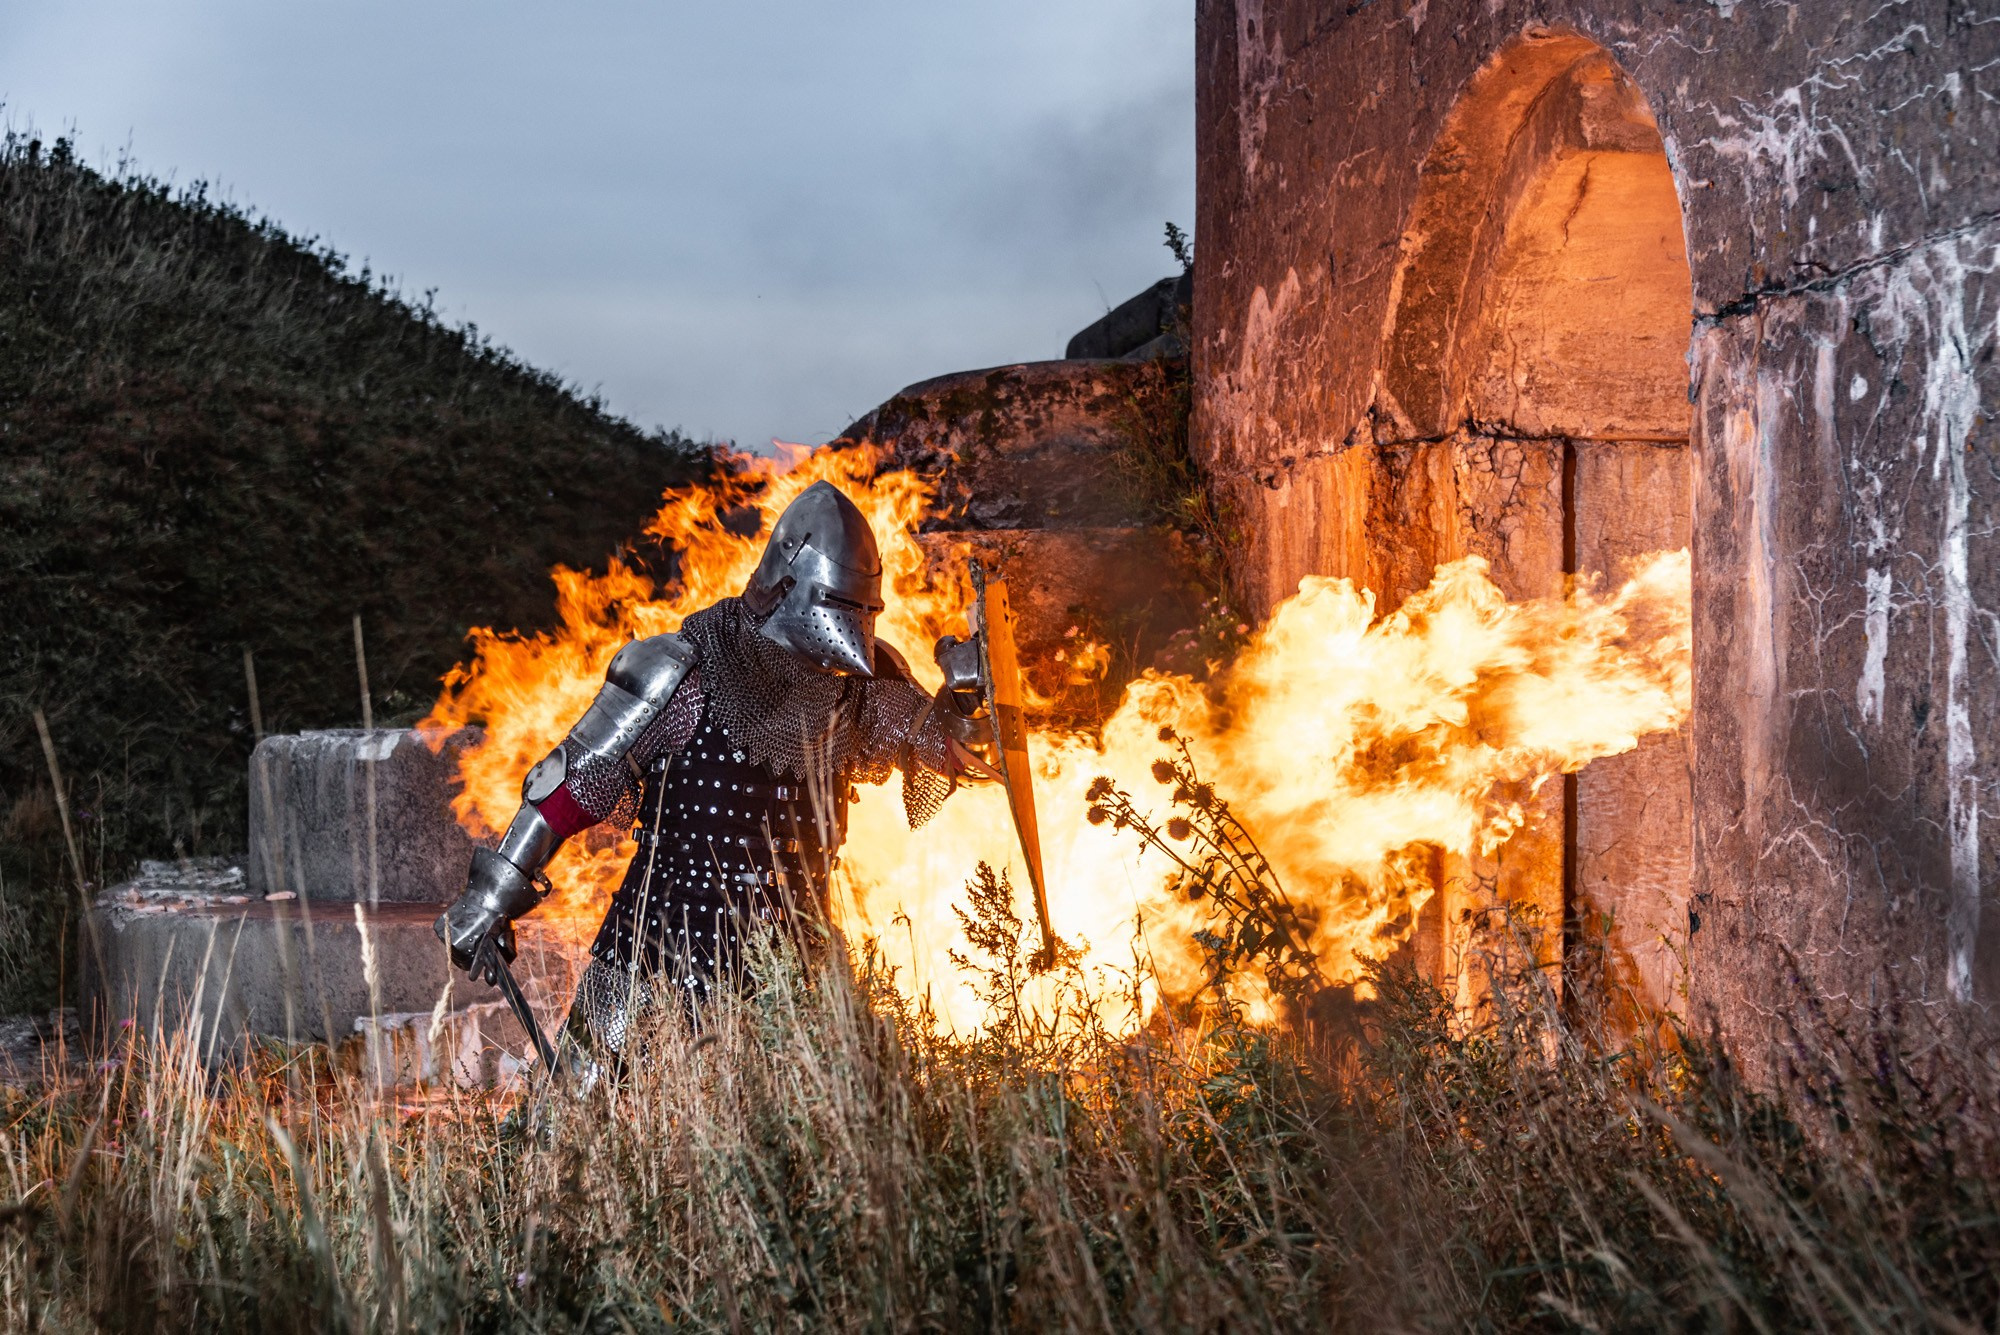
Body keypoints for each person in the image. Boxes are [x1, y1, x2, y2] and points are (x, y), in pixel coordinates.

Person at [434, 480, 991, 1065]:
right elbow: (570, 784)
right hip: (654, 961)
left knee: (819, 1134)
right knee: (583, 1119)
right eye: (838, 604)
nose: (850, 626)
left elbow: (950, 755)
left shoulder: (858, 690)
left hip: (795, 967)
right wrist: (491, 899)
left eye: (865, 610)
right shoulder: (682, 669)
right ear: (784, 583)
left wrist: (966, 700)